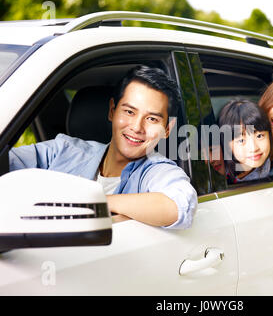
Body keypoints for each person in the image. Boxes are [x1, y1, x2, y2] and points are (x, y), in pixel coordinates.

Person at [9, 65, 197, 229]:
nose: (137, 127)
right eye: (129, 112)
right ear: (112, 111)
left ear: (166, 129)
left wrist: (94, 203)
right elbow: (6, 163)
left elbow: (179, 206)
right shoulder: (63, 151)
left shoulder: (156, 171)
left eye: (152, 119)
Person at [218, 99, 272, 184]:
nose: (254, 148)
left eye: (259, 136)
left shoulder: (268, 166)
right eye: (241, 140)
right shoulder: (218, 169)